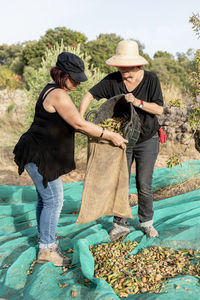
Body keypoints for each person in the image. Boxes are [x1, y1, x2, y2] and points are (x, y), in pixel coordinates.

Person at [13, 52, 127, 267]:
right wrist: (110, 134)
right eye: (73, 77)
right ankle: (47, 249)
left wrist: (99, 131)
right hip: (40, 156)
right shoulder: (58, 95)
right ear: (61, 74)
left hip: (40, 152)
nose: (77, 82)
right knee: (54, 201)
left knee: (45, 199)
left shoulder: (54, 89)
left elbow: (74, 122)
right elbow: (79, 124)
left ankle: (46, 241)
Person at [80, 40, 164, 241]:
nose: (123, 71)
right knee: (119, 182)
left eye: (127, 68)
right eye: (120, 67)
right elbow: (89, 95)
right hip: (122, 140)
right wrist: (80, 119)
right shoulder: (112, 81)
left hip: (147, 139)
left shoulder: (151, 79)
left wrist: (137, 102)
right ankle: (120, 224)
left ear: (138, 65)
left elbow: (159, 109)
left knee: (144, 184)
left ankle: (146, 223)